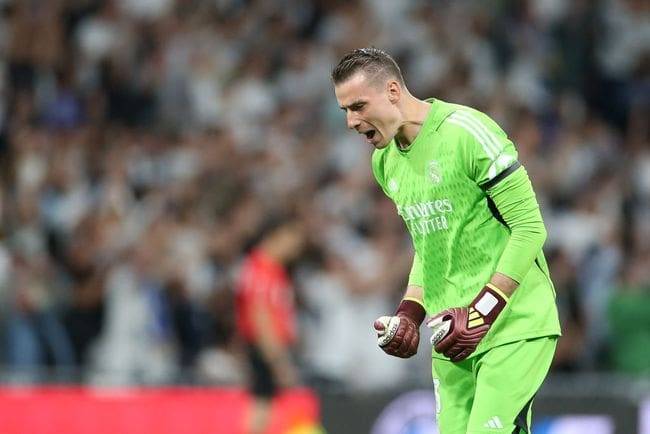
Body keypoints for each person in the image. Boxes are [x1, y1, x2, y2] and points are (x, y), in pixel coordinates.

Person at [331, 47, 561, 434]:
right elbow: (429, 244)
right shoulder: (385, 162)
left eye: (358, 106)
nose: (352, 122)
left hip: (513, 324)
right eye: (345, 111)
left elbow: (530, 228)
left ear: (391, 90)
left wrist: (482, 311)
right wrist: (410, 312)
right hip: (452, 336)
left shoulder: (468, 132)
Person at [234, 217, 306, 434]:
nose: (297, 248)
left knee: (266, 404)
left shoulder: (271, 269)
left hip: (269, 347)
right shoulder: (260, 268)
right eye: (294, 240)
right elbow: (260, 315)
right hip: (265, 348)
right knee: (262, 404)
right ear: (277, 235)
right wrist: (277, 360)